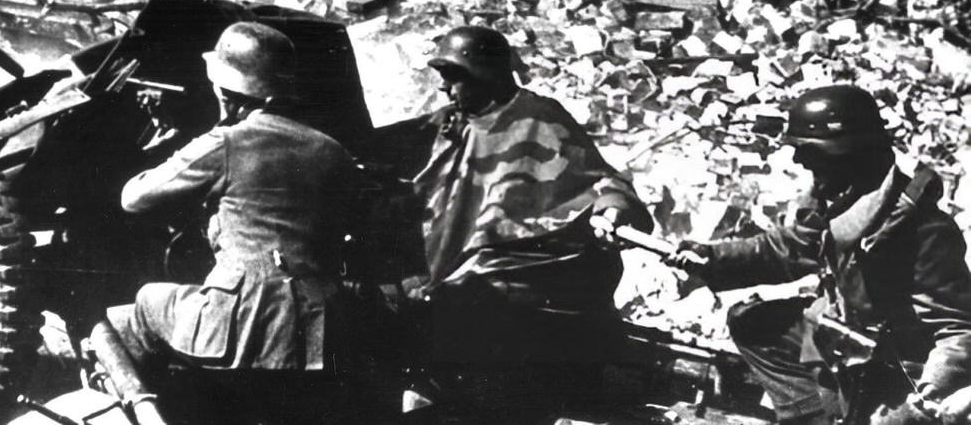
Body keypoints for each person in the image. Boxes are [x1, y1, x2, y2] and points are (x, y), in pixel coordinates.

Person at [665, 84, 971, 425]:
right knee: (754, 322)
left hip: (892, 367)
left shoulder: (922, 228)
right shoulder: (839, 196)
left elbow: (957, 330)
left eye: (810, 151)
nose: (798, 160)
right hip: (840, 339)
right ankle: (812, 419)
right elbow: (792, 247)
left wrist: (924, 401)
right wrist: (713, 257)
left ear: (849, 153)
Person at [96, 21, 360, 376]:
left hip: (245, 323)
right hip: (325, 331)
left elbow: (134, 198)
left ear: (223, 92)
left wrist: (172, 147)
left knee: (146, 302)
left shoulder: (226, 142)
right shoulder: (334, 151)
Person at [396, 24, 652, 367]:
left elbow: (599, 178)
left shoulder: (539, 116)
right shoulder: (454, 121)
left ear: (485, 75)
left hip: (522, 262)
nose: (443, 87)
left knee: (475, 296)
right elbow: (395, 151)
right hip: (455, 253)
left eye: (454, 77)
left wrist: (612, 207)